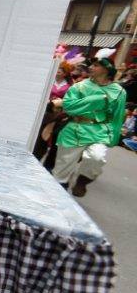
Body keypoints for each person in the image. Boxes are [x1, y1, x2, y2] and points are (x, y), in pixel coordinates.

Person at [51, 57, 128, 197]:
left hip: (100, 130)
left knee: (96, 157)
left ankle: (83, 180)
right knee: (61, 171)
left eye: (96, 65)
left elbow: (117, 117)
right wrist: (95, 100)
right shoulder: (80, 86)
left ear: (107, 70)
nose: (91, 67)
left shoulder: (119, 92)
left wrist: (114, 138)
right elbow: (69, 106)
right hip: (75, 128)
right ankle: (57, 197)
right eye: (92, 64)